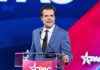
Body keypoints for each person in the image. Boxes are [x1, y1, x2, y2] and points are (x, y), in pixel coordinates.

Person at [28, 4, 73, 70]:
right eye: (46, 16)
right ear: (41, 18)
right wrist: (28, 66)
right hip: (37, 68)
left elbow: (68, 53)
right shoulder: (35, 32)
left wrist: (67, 58)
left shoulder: (63, 33)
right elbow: (32, 53)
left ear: (54, 17)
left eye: (51, 16)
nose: (49, 18)